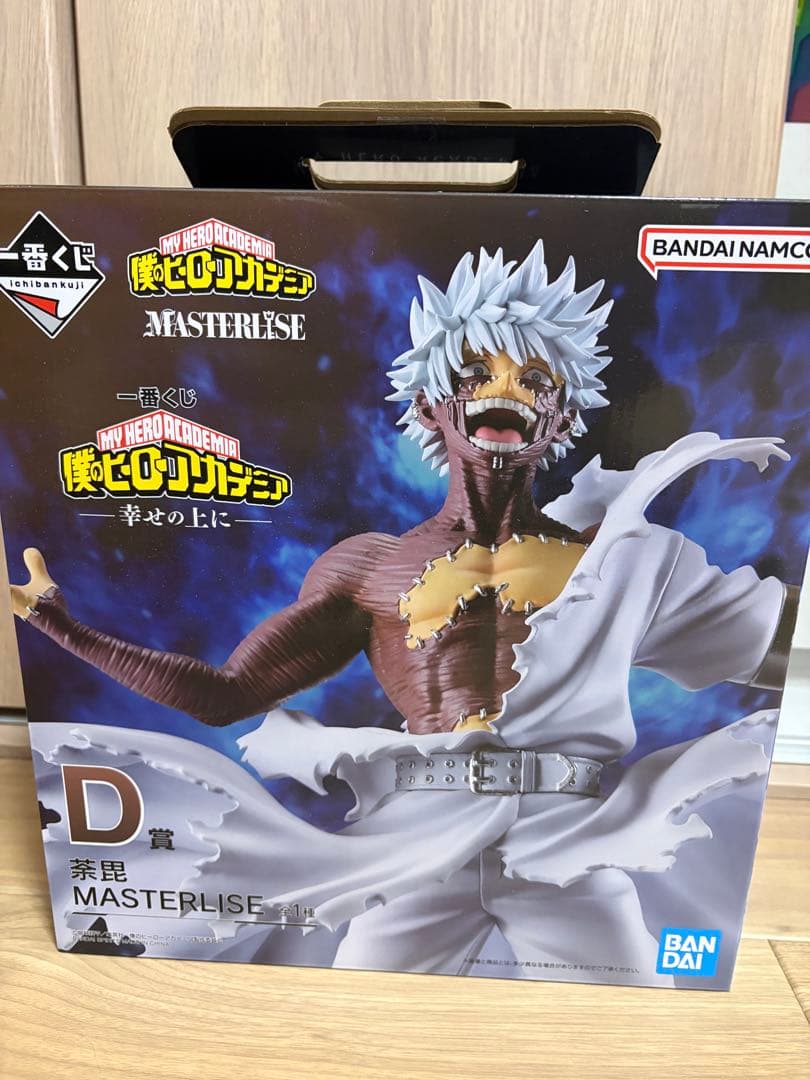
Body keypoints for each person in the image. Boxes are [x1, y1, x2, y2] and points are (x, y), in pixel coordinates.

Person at [12, 242, 798, 983]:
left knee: (632, 1025)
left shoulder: (624, 560)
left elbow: (773, 645)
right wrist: (60, 626)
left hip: (568, 840)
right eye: (476, 371)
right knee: (354, 1023)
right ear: (431, 406)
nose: (505, 390)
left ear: (561, 417)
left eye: (535, 378)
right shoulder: (371, 568)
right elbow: (227, 694)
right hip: (419, 841)